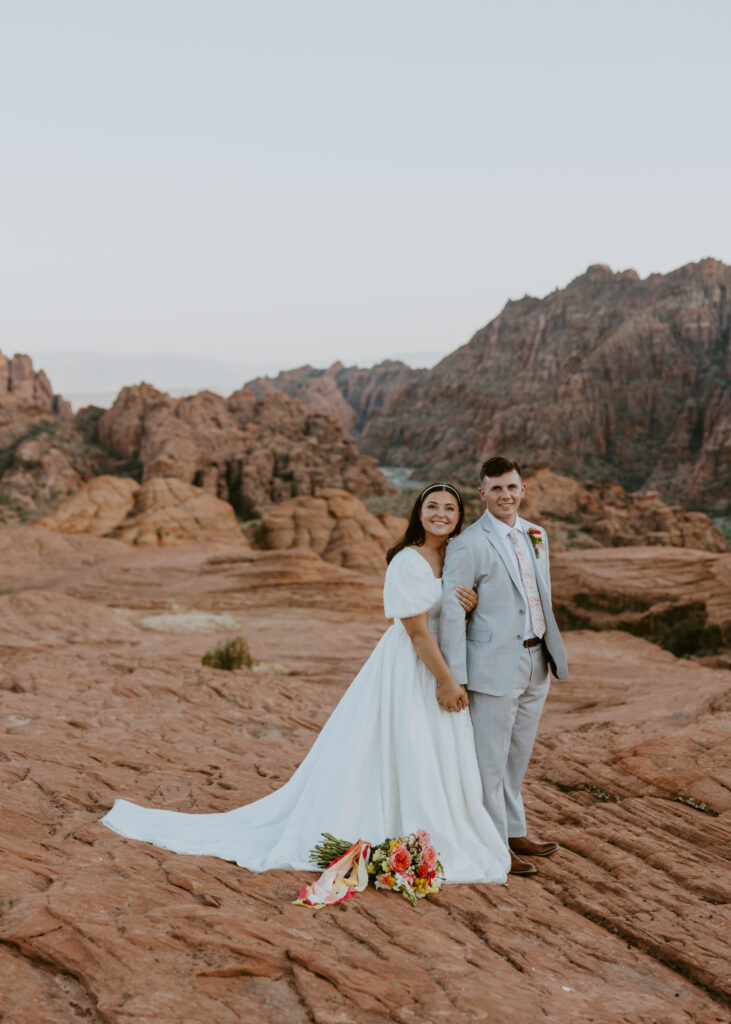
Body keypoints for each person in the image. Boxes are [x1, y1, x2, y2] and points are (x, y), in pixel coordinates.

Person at [102, 484, 510, 886]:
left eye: (450, 509)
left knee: (428, 748)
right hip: (412, 667)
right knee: (402, 742)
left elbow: (449, 616)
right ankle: (395, 827)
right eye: (432, 506)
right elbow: (418, 632)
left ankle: (428, 828)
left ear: (460, 517)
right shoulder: (407, 561)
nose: (441, 514)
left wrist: (467, 607)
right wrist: (446, 682)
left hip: (440, 662)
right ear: (419, 513)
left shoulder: (452, 559)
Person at [440, 457, 568, 877]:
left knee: (517, 756)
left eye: (511, 487)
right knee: (489, 762)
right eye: (495, 489)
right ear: (482, 494)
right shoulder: (467, 543)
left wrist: (547, 652)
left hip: (537, 660)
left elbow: (539, 594)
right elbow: (453, 614)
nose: (505, 496)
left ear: (523, 489)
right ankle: (494, 847)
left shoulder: (536, 534)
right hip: (492, 666)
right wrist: (455, 676)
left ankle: (514, 831)